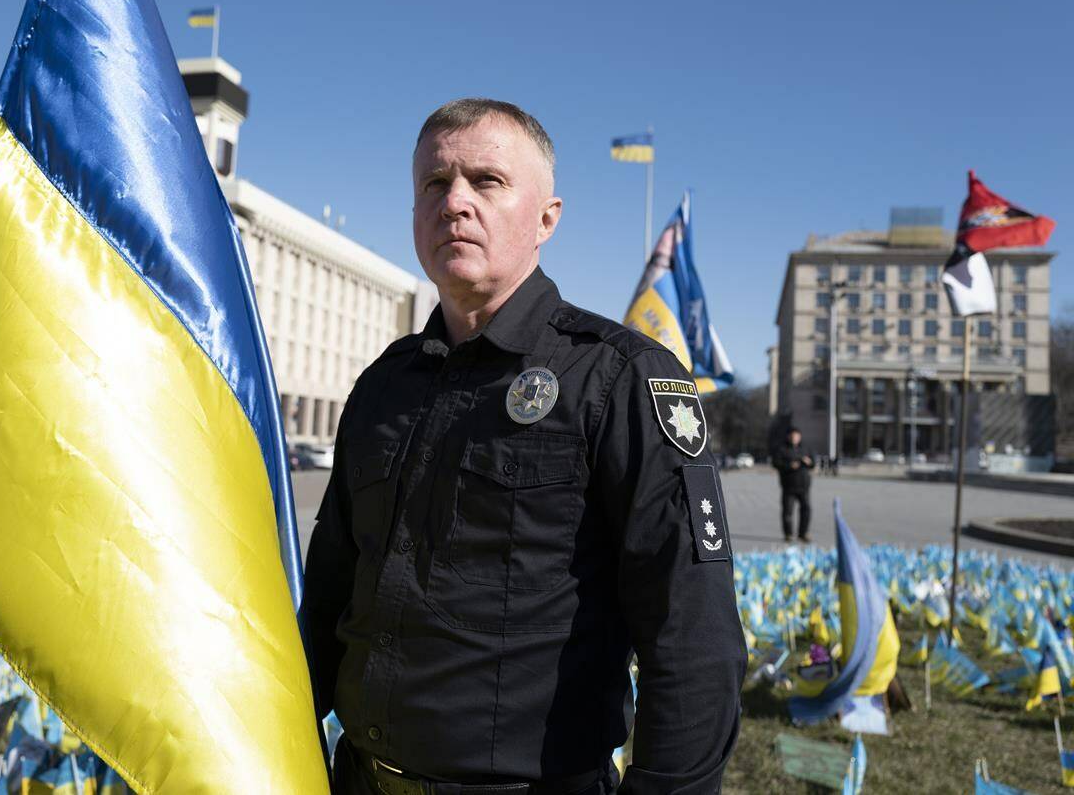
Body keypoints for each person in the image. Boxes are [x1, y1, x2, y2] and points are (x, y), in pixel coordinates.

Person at [302, 98, 746, 795]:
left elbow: (693, 640)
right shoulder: (383, 386)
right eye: (433, 184)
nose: (454, 203)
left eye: (486, 181)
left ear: (547, 218)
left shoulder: (619, 377)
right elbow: (329, 595)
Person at [772, 427, 814, 543]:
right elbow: (775, 463)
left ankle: (803, 533)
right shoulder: (782, 449)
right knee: (788, 511)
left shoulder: (805, 448)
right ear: (788, 436)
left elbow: (813, 463)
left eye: (796, 436)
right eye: (792, 436)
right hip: (788, 486)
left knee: (806, 510)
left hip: (804, 486)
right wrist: (789, 465)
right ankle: (788, 534)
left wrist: (809, 462)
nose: (794, 438)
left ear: (799, 437)